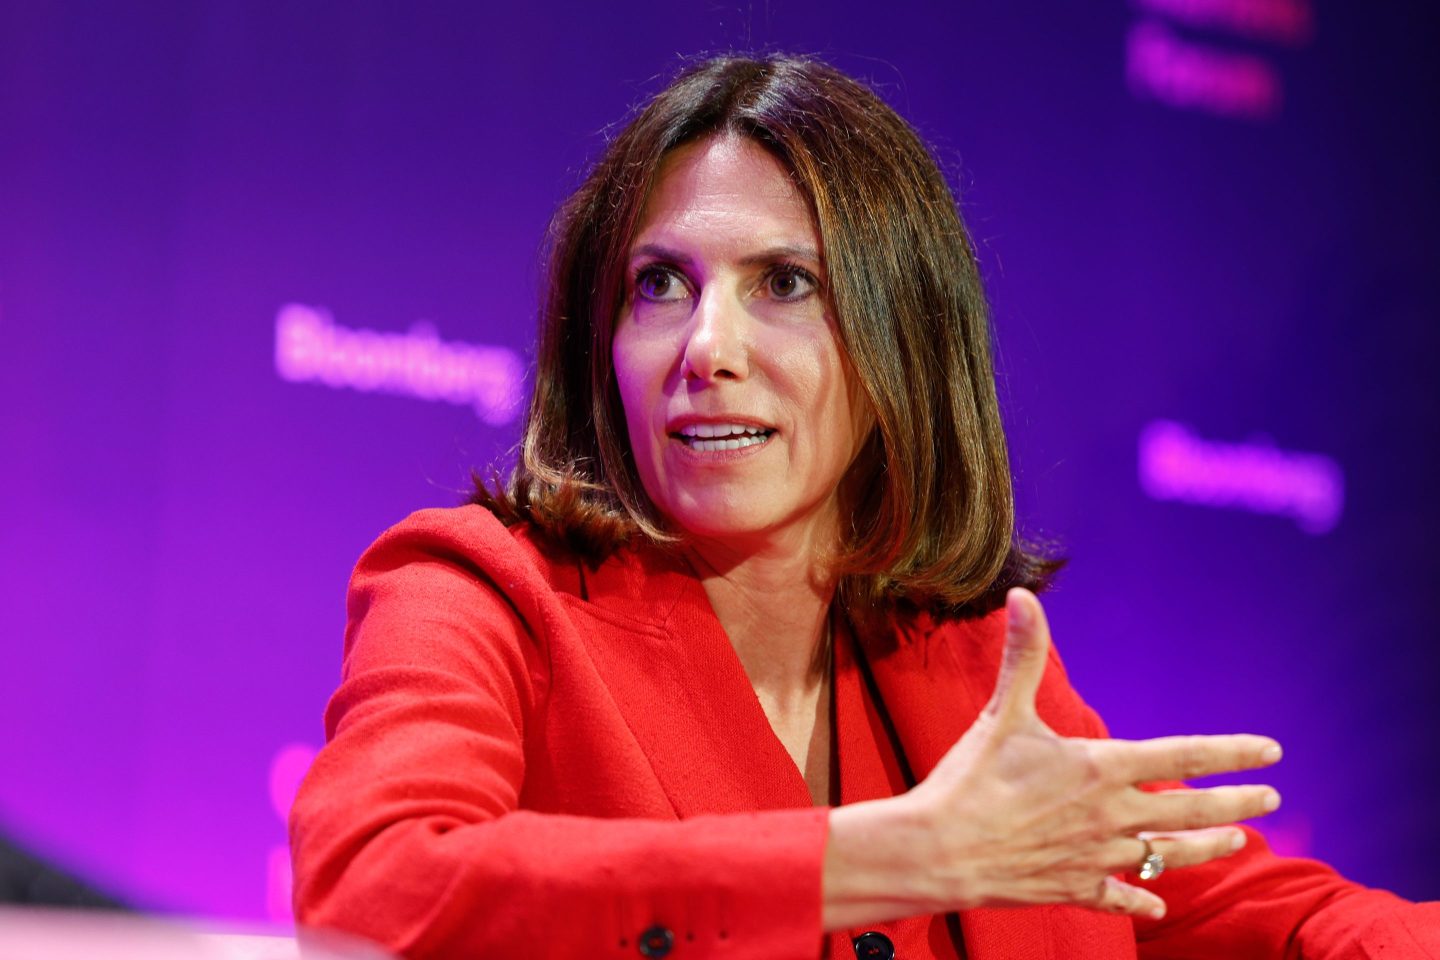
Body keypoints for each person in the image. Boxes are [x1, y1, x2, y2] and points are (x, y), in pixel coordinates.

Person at [289, 55, 1437, 959]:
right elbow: (373, 896)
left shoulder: (968, 657)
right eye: (660, 284)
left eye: (784, 284)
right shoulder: (478, 593)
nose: (707, 348)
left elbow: (1287, 922)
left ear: (902, 343)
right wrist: (891, 858)